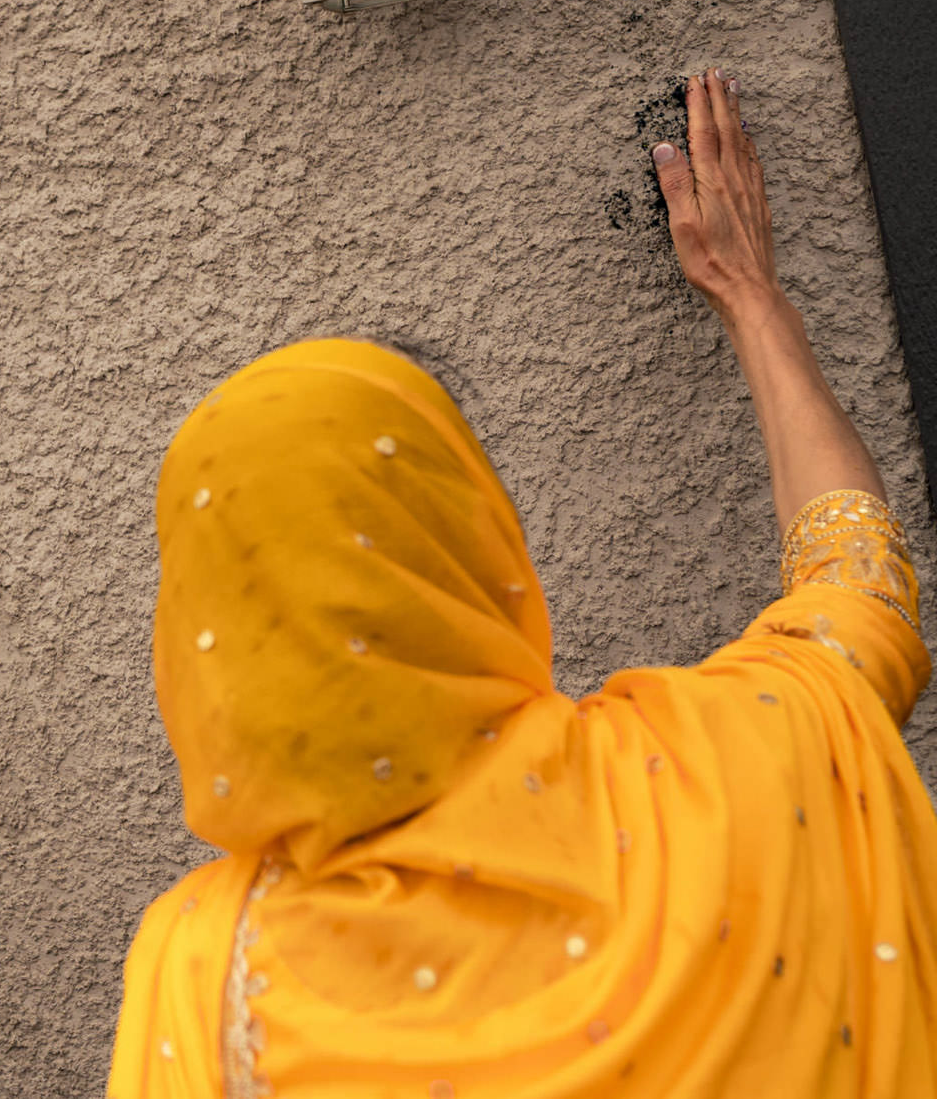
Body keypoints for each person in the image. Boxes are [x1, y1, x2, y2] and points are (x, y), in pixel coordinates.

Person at [109, 70, 936, 1097]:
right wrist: (751, 299)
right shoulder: (737, 763)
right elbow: (856, 579)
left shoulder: (207, 976)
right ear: (474, 545)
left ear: (200, 634)